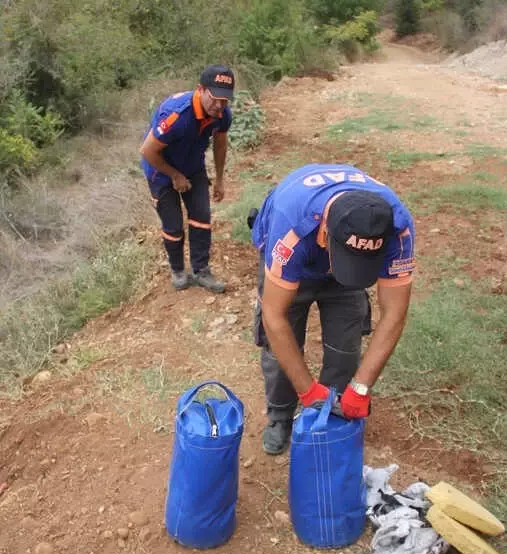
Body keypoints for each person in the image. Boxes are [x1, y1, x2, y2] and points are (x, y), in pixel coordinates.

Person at [251, 163, 415, 455]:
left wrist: (361, 387)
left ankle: (334, 414)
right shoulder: (291, 228)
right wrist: (307, 390)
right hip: (297, 261)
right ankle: (280, 415)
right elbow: (274, 317)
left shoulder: (396, 227)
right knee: (280, 349)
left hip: (336, 254)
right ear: (327, 233)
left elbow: (394, 313)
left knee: (346, 346)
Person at [140, 64, 235, 293]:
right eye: (214, 99)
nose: (219, 105)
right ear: (200, 89)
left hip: (193, 166)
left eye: (225, 100)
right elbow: (147, 151)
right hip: (160, 171)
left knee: (201, 217)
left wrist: (220, 179)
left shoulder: (221, 115)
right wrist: (174, 175)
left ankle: (201, 270)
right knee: (173, 226)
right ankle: (178, 269)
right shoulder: (176, 115)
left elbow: (220, 143)